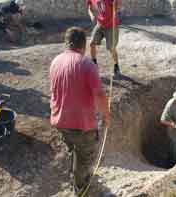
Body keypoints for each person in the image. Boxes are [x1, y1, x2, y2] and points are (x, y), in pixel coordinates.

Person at [50, 27, 111, 195]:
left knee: (73, 149)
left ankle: (76, 175)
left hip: (59, 120)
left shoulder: (55, 61)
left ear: (66, 43)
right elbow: (99, 94)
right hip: (81, 124)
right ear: (83, 45)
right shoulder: (87, 65)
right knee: (85, 156)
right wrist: (106, 116)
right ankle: (80, 187)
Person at [87, 0, 122, 78]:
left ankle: (116, 66)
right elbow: (89, 7)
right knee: (92, 43)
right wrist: (92, 16)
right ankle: (94, 65)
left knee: (111, 48)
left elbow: (118, 5)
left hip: (111, 24)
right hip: (100, 24)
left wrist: (116, 7)